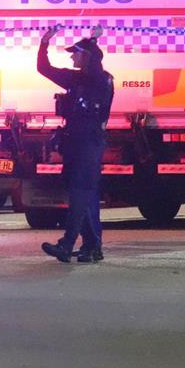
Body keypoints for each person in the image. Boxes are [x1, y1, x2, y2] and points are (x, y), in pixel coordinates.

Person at [37, 25, 114, 264]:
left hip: (89, 144)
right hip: (74, 143)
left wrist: (91, 41)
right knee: (84, 195)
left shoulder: (101, 81)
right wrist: (44, 43)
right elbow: (43, 68)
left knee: (81, 194)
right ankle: (92, 246)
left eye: (76, 53)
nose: (71, 57)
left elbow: (95, 82)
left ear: (87, 57)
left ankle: (68, 243)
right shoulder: (76, 77)